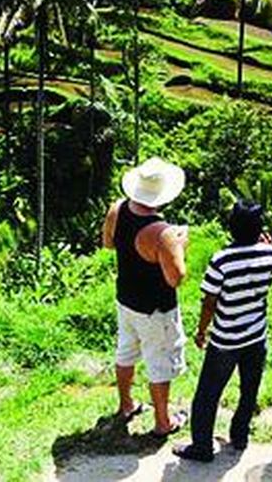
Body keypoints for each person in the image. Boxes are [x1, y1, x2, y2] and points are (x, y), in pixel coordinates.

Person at [174, 200, 272, 463]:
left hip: (226, 338)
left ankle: (202, 447)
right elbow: (269, 278)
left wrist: (201, 331)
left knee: (207, 394)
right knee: (249, 388)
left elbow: (209, 301)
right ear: (259, 228)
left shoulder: (221, 259)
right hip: (256, 334)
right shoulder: (270, 255)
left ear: (231, 227)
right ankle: (240, 436)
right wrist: (265, 247)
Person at [101, 157, 190, 437]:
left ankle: (126, 404)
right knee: (159, 361)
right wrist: (179, 245)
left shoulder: (117, 209)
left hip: (126, 299)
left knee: (126, 351)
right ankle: (163, 422)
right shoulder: (163, 233)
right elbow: (176, 278)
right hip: (156, 309)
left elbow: (107, 243)